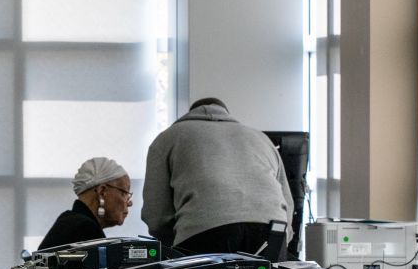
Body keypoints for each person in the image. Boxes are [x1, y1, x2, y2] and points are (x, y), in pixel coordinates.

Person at [141, 97, 293, 255]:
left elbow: (156, 216)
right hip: (272, 230)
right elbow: (288, 203)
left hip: (204, 230)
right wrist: (282, 241)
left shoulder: (168, 137)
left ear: (191, 113)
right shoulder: (261, 138)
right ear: (226, 113)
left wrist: (174, 247)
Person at [37, 157, 133, 250]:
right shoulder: (85, 229)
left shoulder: (70, 222)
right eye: (124, 193)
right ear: (102, 191)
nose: (129, 203)